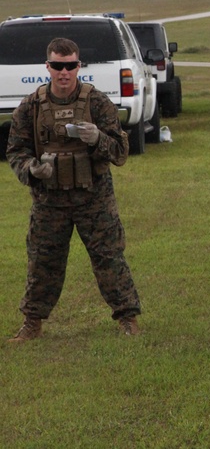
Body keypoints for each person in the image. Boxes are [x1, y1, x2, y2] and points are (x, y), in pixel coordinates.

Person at [7, 37, 141, 342]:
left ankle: (128, 318)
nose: (63, 72)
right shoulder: (31, 105)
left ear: (78, 66)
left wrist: (97, 139)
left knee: (109, 257)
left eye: (69, 66)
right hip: (49, 199)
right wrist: (31, 170)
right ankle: (32, 324)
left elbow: (120, 151)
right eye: (57, 66)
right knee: (43, 260)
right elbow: (16, 150)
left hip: (93, 197)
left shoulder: (97, 102)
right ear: (48, 67)